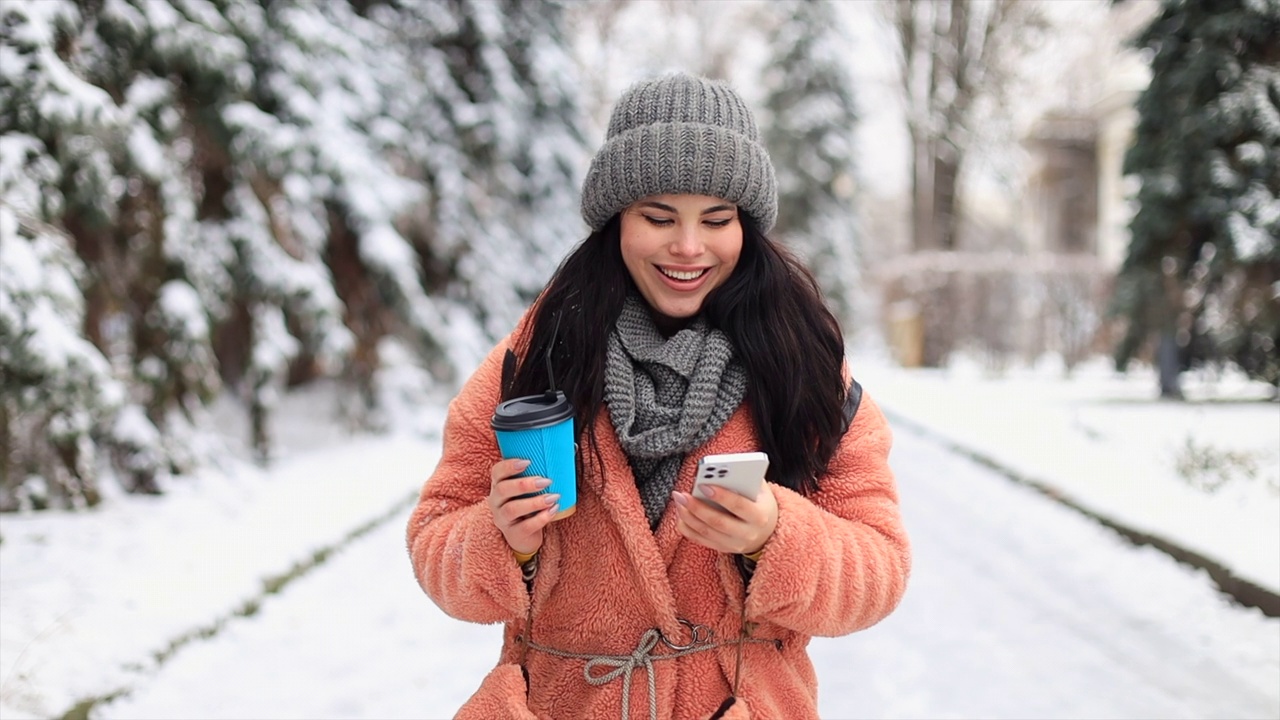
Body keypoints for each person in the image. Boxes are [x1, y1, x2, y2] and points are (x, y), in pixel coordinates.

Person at [406, 72, 910, 720]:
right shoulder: (534, 359)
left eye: (717, 219)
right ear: (617, 219)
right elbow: (433, 542)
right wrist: (503, 539)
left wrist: (775, 537)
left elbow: (881, 570)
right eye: (659, 217)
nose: (689, 247)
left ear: (747, 228)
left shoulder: (802, 368)